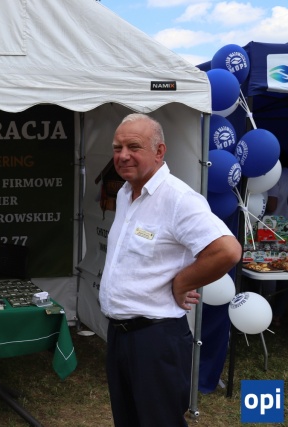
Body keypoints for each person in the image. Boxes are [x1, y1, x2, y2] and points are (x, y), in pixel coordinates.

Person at [99, 113, 241, 426]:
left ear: (159, 151)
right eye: (117, 148)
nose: (123, 155)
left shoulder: (178, 198)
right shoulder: (125, 193)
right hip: (120, 335)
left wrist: (182, 282)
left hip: (155, 339)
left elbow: (227, 250)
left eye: (133, 147)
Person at [263, 160, 288, 326]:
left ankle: (264, 312)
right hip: (284, 224)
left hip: (272, 225)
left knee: (266, 273)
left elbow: (272, 205)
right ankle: (277, 314)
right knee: (285, 274)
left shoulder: (276, 174)